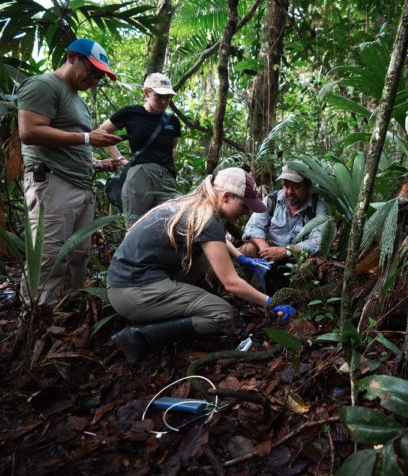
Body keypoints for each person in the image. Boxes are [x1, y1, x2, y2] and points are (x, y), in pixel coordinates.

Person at [107, 167, 296, 363]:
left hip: (130, 282)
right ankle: (138, 336)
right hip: (132, 291)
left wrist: (241, 258)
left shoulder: (197, 206)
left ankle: (182, 309)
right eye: (244, 205)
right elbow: (231, 283)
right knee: (221, 313)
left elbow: (217, 239)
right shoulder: (207, 219)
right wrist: (272, 303)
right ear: (226, 196)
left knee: (212, 261)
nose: (246, 212)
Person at [18, 37, 123, 306]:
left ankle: (68, 317)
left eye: (100, 76)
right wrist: (88, 138)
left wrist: (96, 163)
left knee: (78, 256)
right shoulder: (44, 85)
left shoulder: (77, 99)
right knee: (49, 257)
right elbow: (29, 131)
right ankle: (37, 323)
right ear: (72, 57)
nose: (95, 80)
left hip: (79, 185)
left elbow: (68, 140)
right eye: (92, 72)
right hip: (53, 182)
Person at [99, 72, 182, 227]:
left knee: (172, 224)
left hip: (166, 177)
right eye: (159, 96)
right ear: (146, 93)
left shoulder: (173, 121)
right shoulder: (131, 113)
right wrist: (120, 159)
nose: (164, 101)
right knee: (136, 227)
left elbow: (173, 147)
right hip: (139, 177)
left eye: (168, 97)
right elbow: (102, 133)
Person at [240, 163, 329, 264]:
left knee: (313, 262)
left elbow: (318, 242)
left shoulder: (317, 207)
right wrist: (266, 250)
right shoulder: (272, 200)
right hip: (270, 251)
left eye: (296, 186)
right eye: (286, 185)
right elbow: (254, 226)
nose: (289, 191)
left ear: (307, 186)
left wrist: (286, 251)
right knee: (250, 248)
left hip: (297, 257)